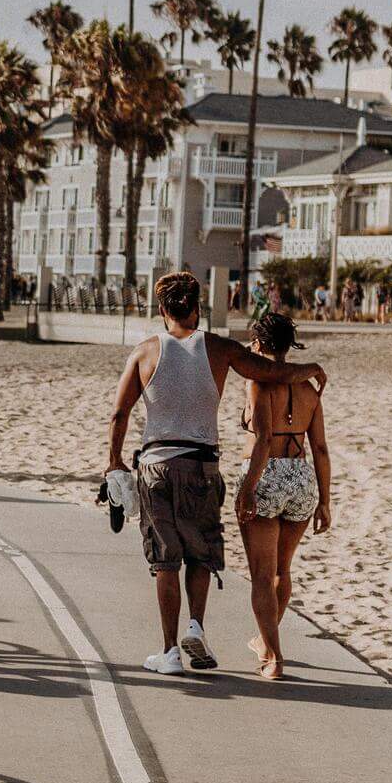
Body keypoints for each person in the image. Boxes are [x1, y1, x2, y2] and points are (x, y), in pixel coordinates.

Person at [105, 270, 324, 678]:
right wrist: (308, 367)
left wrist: (113, 461)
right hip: (202, 465)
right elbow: (270, 372)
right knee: (201, 552)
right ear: (198, 308)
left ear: (162, 309)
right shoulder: (220, 349)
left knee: (165, 561)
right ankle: (197, 626)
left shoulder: (145, 353)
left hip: (156, 465)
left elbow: (120, 413)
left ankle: (170, 651)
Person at [232, 308, 331, 682]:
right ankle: (264, 640)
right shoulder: (310, 390)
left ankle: (273, 657)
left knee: (260, 576)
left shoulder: (256, 385)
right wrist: (324, 500)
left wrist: (247, 489)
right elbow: (320, 448)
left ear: (257, 343)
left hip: (267, 475)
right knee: (282, 571)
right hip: (301, 478)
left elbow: (262, 442)